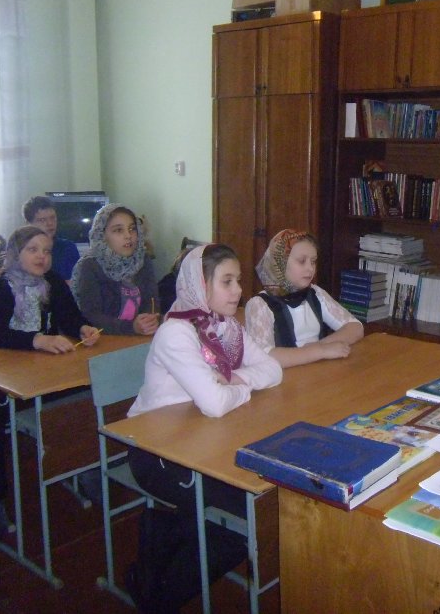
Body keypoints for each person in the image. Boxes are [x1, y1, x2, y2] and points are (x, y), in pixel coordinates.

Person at [125, 243, 282, 613]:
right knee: (247, 516)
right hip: (157, 453)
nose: (238, 290)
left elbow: (274, 371)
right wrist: (239, 389)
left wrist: (233, 379)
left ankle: (166, 536)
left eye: (238, 280)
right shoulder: (176, 333)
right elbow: (213, 403)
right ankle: (157, 597)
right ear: (200, 284)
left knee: (256, 506)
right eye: (227, 281)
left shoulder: (226, 326)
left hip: (205, 440)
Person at [0, 226, 100, 538]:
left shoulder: (54, 283)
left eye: (47, 251)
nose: (42, 257)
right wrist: (37, 340)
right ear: (16, 253)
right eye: (33, 250)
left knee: (87, 397)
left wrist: (83, 329)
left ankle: (84, 466)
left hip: (44, 373)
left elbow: (70, 317)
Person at [245, 229, 363, 368]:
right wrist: (318, 351)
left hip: (316, 371)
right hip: (283, 378)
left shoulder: (315, 293)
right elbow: (263, 357)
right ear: (279, 263)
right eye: (301, 261)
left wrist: (320, 346)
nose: (310, 268)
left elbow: (355, 327)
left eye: (313, 262)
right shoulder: (259, 304)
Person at [71, 203, 159, 336]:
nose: (128, 236)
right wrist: (131, 327)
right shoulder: (90, 266)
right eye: (118, 230)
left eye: (132, 229)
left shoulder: (142, 260)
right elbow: (90, 317)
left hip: (140, 338)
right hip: (103, 340)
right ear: (102, 235)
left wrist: (151, 320)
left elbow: (152, 303)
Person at [22, 195, 81, 282]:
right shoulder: (20, 250)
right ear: (28, 224)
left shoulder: (67, 248)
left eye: (53, 218)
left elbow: (75, 284)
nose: (50, 223)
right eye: (42, 220)